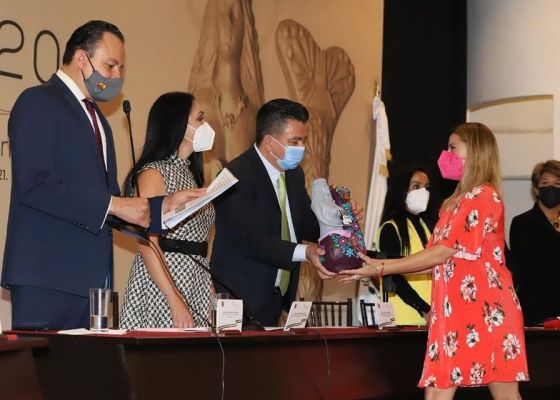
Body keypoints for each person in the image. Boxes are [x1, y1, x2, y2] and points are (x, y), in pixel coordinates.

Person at [1, 21, 201, 330]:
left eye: (121, 68)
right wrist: (115, 204)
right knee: (47, 364)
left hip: (92, 284)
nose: (117, 76)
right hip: (47, 276)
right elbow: (34, 184)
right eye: (110, 65)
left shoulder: (99, 121)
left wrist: (165, 206)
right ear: (81, 59)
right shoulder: (38, 101)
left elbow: (112, 206)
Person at [340, 123, 529, 399]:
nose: (446, 154)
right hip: (453, 309)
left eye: (453, 148)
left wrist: (381, 267)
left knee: (504, 393)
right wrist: (375, 266)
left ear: (475, 151)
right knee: (438, 391)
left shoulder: (484, 196)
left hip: (487, 309)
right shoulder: (455, 202)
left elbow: (442, 252)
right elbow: (434, 259)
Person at [210, 98, 335, 327]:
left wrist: (339, 216)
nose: (302, 148)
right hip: (239, 299)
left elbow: (306, 225)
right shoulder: (235, 176)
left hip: (275, 300)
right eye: (294, 141)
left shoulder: (294, 175)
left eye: (304, 141)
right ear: (269, 142)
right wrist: (306, 252)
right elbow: (251, 240)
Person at [120, 92, 215, 329]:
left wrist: (208, 286)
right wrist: (173, 299)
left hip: (196, 280)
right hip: (165, 284)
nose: (205, 125)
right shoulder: (154, 173)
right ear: (178, 124)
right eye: (199, 118)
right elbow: (147, 242)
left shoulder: (190, 172)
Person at [375, 166, 435, 325]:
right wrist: (424, 309)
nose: (423, 192)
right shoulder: (390, 228)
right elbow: (394, 276)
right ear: (402, 191)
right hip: (403, 319)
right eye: (416, 186)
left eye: (427, 187)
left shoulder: (426, 228)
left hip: (430, 318)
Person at [510, 159, 560, 326]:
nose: (551, 187)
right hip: (537, 313)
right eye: (545, 183)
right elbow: (526, 271)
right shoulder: (522, 223)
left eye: (557, 183)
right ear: (536, 189)